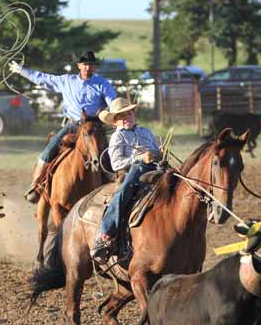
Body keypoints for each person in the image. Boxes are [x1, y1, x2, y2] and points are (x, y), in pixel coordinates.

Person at [8, 51, 117, 203]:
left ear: (95, 67)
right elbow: (43, 79)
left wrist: (115, 113)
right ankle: (36, 185)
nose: (88, 67)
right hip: (73, 125)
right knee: (48, 152)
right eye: (85, 64)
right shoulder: (67, 80)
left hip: (94, 126)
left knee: (108, 153)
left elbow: (113, 102)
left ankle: (115, 185)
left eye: (91, 65)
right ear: (79, 65)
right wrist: (22, 71)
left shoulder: (103, 84)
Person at [89, 97, 160, 260]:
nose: (126, 118)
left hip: (156, 169)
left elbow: (155, 151)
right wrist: (140, 158)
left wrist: (158, 154)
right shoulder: (117, 137)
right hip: (133, 172)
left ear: (134, 115)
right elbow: (116, 164)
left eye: (128, 114)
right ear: (115, 122)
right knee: (122, 194)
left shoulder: (146, 132)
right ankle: (105, 235)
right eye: (121, 116)